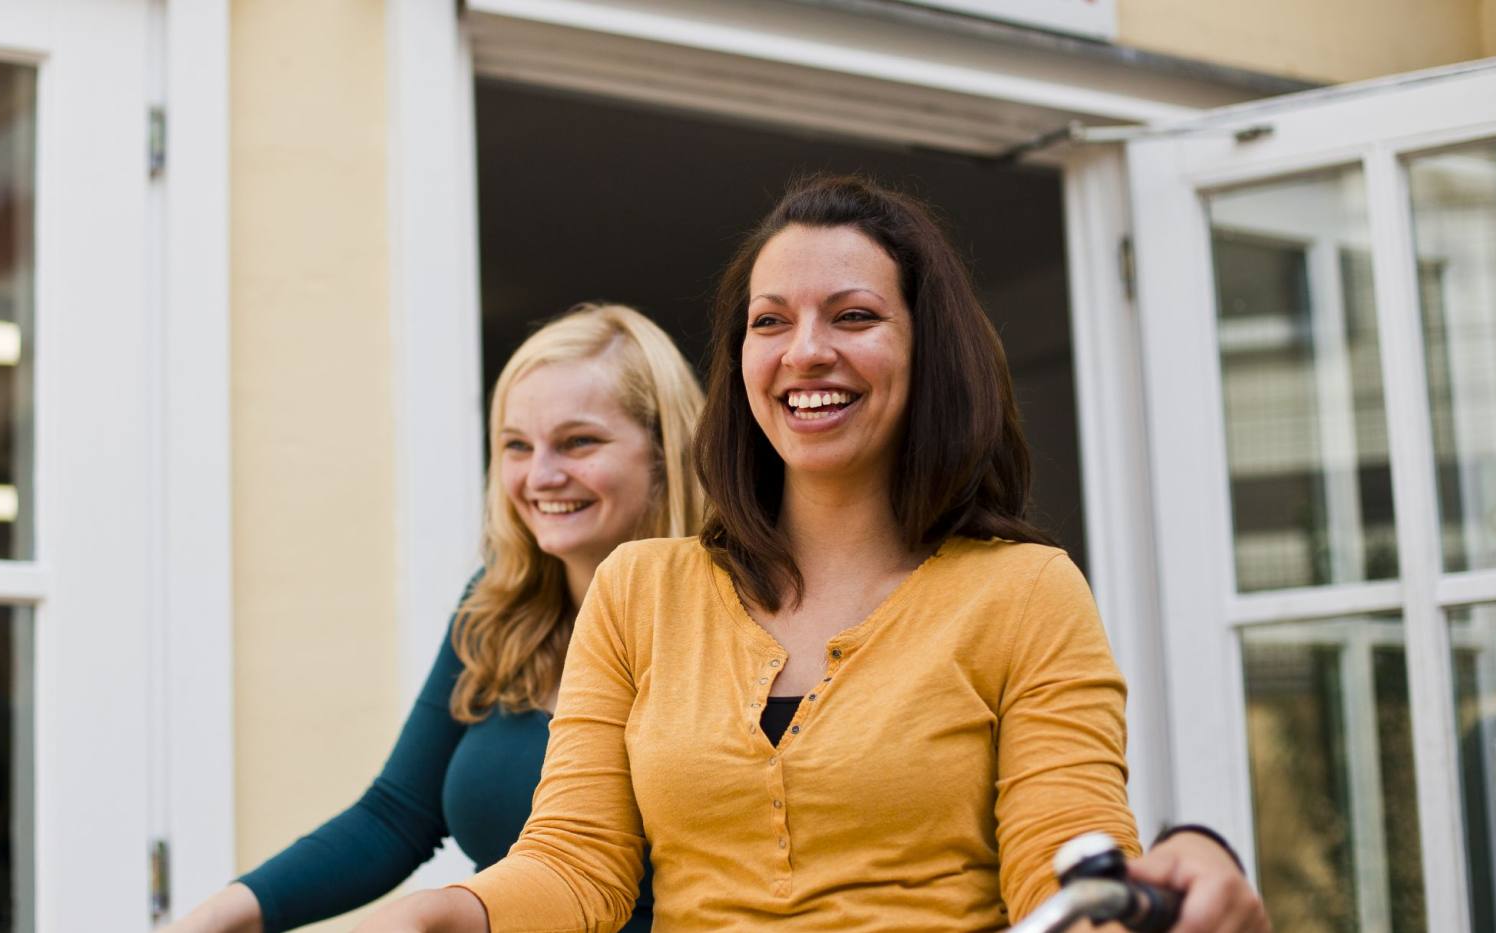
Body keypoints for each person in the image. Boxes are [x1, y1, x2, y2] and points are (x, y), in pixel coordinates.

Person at [354, 177, 1269, 932]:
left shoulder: (1027, 593)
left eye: (854, 315)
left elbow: (1059, 856)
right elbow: (575, 863)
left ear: (926, 349)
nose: (807, 351)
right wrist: (431, 916)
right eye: (770, 321)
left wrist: (1172, 874)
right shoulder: (641, 589)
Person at [163, 303, 704, 933]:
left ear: (667, 450)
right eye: (516, 446)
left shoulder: (730, 619)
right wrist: (209, 920)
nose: (541, 475)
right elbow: (396, 816)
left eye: (579, 441)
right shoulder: (496, 606)